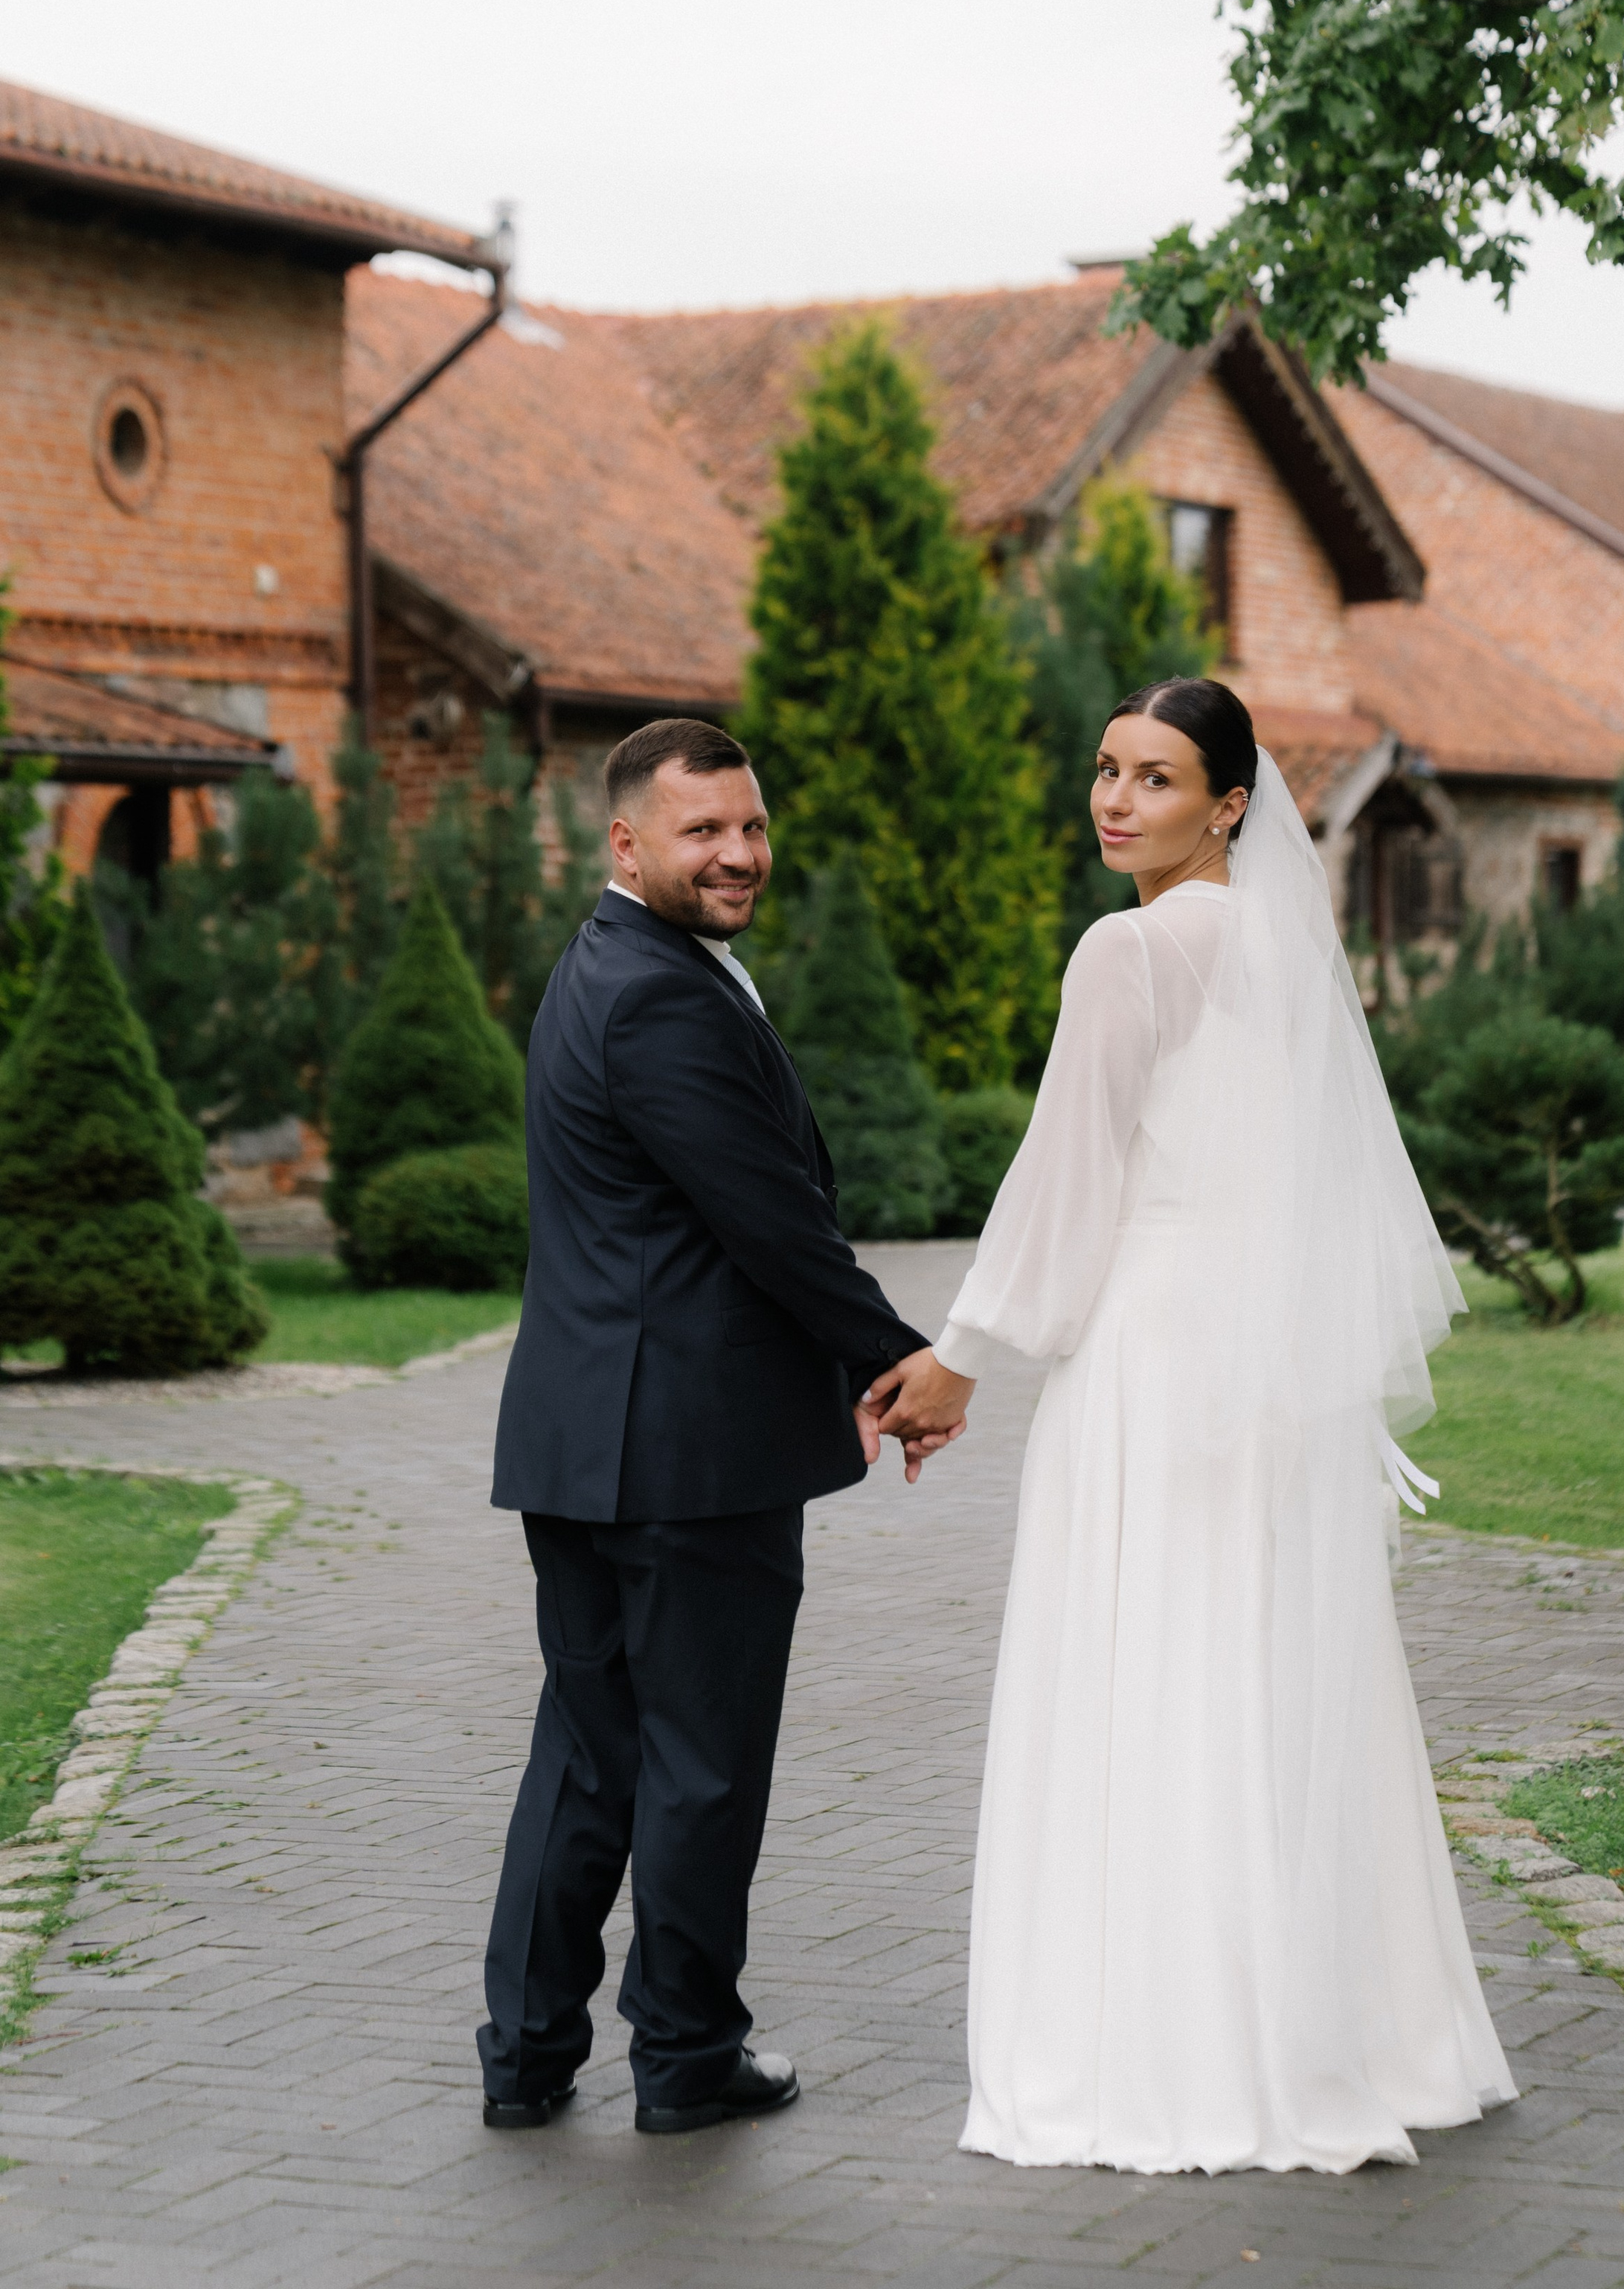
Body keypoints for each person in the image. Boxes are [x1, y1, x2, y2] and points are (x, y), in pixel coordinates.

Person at [868, 678, 1515, 2176]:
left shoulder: (1130, 950)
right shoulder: (1284, 947)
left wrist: (962, 1357)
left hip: (1155, 1362)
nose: (1114, 800)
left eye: (1153, 778)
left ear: (1228, 803)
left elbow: (1066, 1179)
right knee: (1262, 1669)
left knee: (1150, 1665)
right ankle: (1345, 2032)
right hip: (1271, 1373)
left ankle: (1164, 2049)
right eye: (1105, 769)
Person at [478, 718, 972, 2137]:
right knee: (699, 1765)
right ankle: (687, 2057)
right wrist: (900, 1358)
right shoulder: (662, 997)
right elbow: (772, 1221)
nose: (740, 853)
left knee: (589, 1757)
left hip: (584, 1445)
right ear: (627, 840)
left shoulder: (599, 966)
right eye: (704, 831)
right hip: (688, 1461)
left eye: (751, 825)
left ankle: (526, 2055)